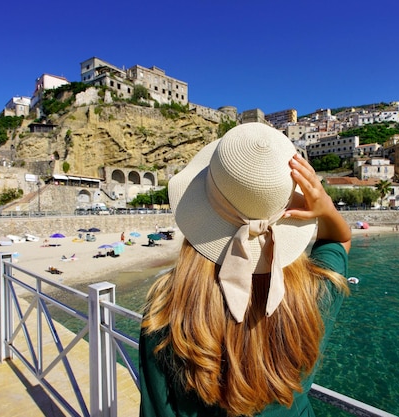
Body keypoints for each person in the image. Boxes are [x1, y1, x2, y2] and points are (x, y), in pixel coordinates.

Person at [139, 123, 351, 417]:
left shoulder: (166, 307)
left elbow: (156, 411)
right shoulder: (315, 293)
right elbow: (339, 239)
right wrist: (325, 206)